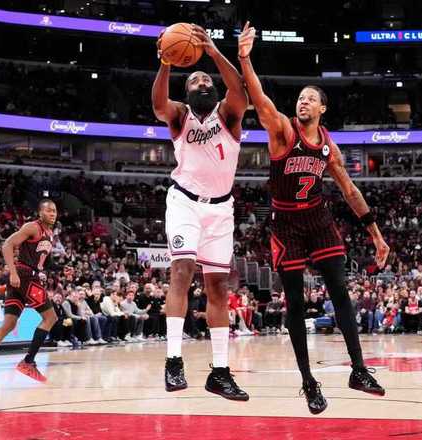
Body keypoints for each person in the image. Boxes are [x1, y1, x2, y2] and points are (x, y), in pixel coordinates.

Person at [237, 22, 390, 414]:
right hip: (286, 223)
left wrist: (375, 234)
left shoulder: (328, 147)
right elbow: (258, 96)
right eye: (300, 98)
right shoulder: (282, 130)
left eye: (310, 99)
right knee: (294, 303)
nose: (302, 102)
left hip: (318, 219)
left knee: (340, 291)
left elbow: (350, 191)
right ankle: (308, 382)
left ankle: (359, 370)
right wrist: (245, 59)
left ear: (322, 109)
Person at [152, 23, 248, 400]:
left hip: (221, 209)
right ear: (187, 92)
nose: (203, 82)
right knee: (181, 271)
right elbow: (158, 105)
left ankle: (219, 372)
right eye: (195, 80)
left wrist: (213, 52)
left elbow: (240, 90)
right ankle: (173, 361)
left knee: (218, 287)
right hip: (185, 203)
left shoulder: (229, 115)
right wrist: (165, 61)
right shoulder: (180, 116)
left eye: (207, 79)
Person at [0, 199, 59, 385]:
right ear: (40, 213)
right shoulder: (32, 227)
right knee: (50, 318)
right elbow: (7, 245)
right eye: (48, 210)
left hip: (27, 278)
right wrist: (13, 272)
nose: (52, 213)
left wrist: (53, 270)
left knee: (9, 324)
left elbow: (42, 261)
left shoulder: (49, 233)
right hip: (24, 277)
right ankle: (28, 362)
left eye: (54, 211)